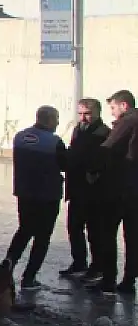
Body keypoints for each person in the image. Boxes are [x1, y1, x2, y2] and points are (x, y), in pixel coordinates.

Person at [3, 105, 66, 290]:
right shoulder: (54, 142)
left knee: (23, 231)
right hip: (47, 196)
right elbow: (65, 164)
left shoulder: (20, 137)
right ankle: (29, 278)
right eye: (56, 118)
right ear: (48, 120)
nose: (58, 122)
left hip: (25, 193)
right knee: (42, 238)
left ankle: (7, 266)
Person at [91, 89, 138, 295]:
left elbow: (107, 148)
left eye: (113, 108)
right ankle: (129, 280)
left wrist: (92, 170)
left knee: (107, 232)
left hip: (120, 187)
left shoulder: (128, 121)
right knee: (133, 236)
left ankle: (109, 278)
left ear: (124, 105)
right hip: (134, 188)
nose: (112, 113)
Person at [58, 99, 111, 279]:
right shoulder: (78, 130)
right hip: (76, 187)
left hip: (94, 190)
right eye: (80, 113)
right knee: (74, 228)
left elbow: (103, 160)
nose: (83, 117)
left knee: (95, 231)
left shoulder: (104, 133)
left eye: (87, 113)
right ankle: (79, 262)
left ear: (97, 113)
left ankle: (97, 266)